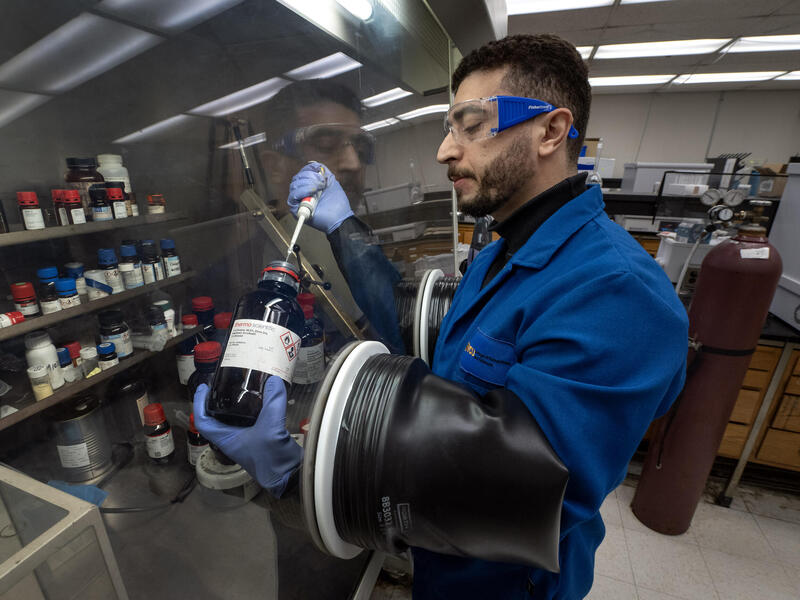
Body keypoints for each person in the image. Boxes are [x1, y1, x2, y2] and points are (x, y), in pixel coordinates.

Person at [196, 34, 689, 599]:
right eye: (448, 129)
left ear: (551, 131)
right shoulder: (507, 252)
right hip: (444, 564)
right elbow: (424, 333)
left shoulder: (617, 294)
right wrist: (343, 227)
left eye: (471, 125)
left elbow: (521, 492)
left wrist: (298, 472)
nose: (445, 151)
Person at [258, 79, 403, 351]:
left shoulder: (351, 235)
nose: (353, 163)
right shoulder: (258, 260)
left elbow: (401, 321)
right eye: (326, 145)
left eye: (360, 149)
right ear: (275, 167)